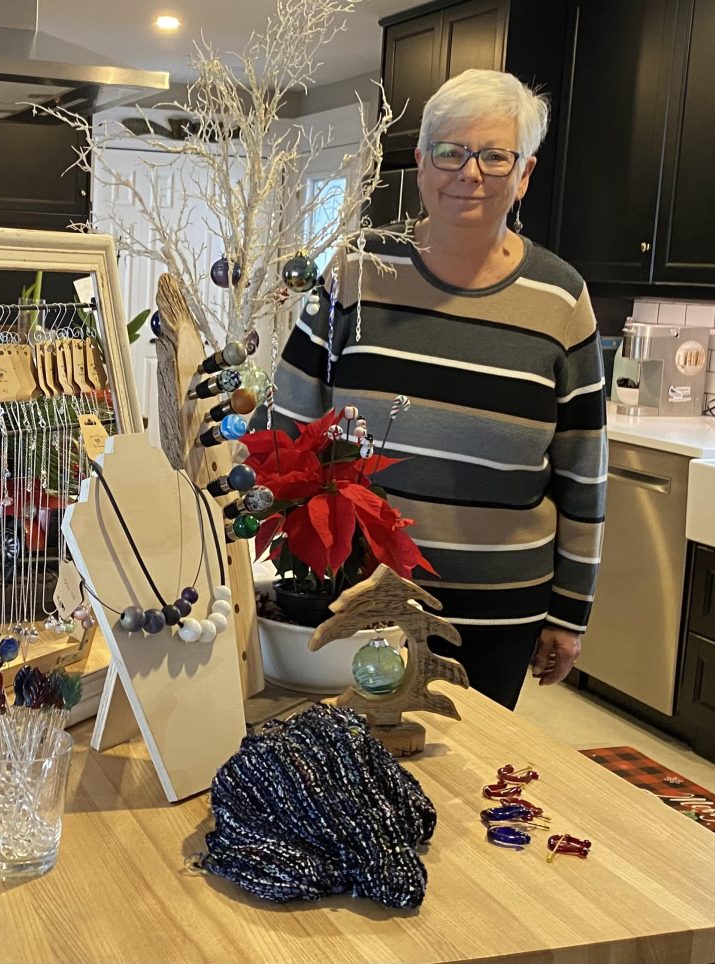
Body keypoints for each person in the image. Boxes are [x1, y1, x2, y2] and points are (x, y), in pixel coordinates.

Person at [271, 69, 607, 709]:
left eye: (494, 155)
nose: (469, 173)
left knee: (470, 785)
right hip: (360, 594)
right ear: (422, 165)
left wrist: (570, 611)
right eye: (450, 152)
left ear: (525, 174)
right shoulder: (358, 270)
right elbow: (290, 426)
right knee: (352, 777)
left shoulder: (563, 299)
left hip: (498, 608)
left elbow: (583, 471)